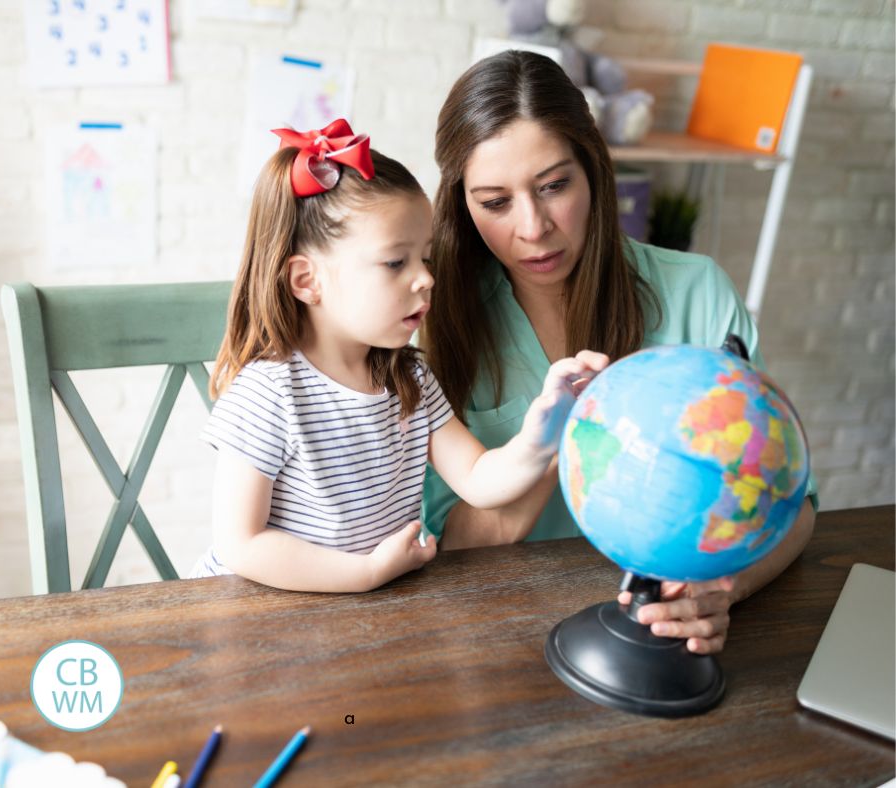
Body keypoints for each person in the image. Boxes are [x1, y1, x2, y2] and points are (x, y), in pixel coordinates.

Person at [420, 51, 818, 654]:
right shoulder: (433, 323)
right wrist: (562, 441)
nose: (532, 227)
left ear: (594, 171)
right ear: (461, 204)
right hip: (497, 632)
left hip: (656, 635)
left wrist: (721, 590)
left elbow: (793, 502)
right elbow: (448, 546)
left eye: (555, 186)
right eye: (495, 202)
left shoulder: (697, 292)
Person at [191, 119, 606, 593]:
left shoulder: (410, 378)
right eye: (395, 262)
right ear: (307, 281)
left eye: (424, 258)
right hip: (258, 612)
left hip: (360, 616)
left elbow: (476, 478)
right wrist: (365, 573)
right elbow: (241, 543)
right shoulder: (270, 393)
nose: (426, 278)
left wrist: (539, 435)